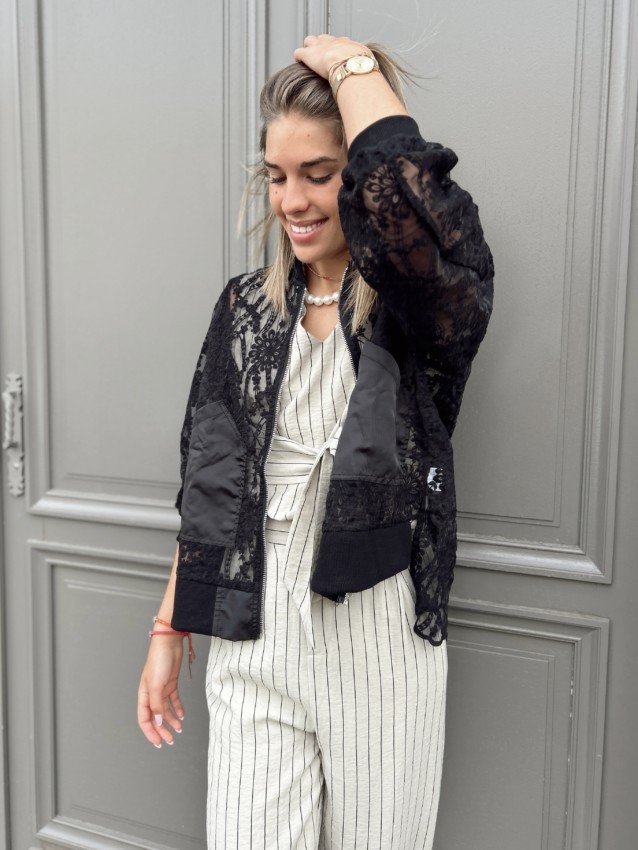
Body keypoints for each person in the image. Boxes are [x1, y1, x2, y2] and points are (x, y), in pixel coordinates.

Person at [137, 33, 493, 850]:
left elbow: (409, 196)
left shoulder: (419, 307)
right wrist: (167, 629)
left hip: (377, 638)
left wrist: (351, 68)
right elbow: (211, 488)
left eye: (319, 174)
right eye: (277, 175)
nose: (292, 201)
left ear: (356, 178)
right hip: (251, 633)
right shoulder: (245, 309)